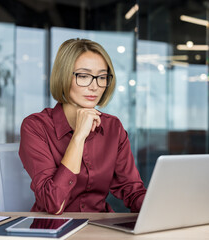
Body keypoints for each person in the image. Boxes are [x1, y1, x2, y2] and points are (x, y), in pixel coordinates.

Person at [19, 38, 146, 214]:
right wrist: (78, 137)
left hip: (100, 229)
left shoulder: (113, 127)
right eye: (84, 76)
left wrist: (164, 210)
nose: (94, 86)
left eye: (102, 77)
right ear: (64, 76)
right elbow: (53, 203)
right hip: (54, 230)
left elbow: (132, 191)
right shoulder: (36, 126)